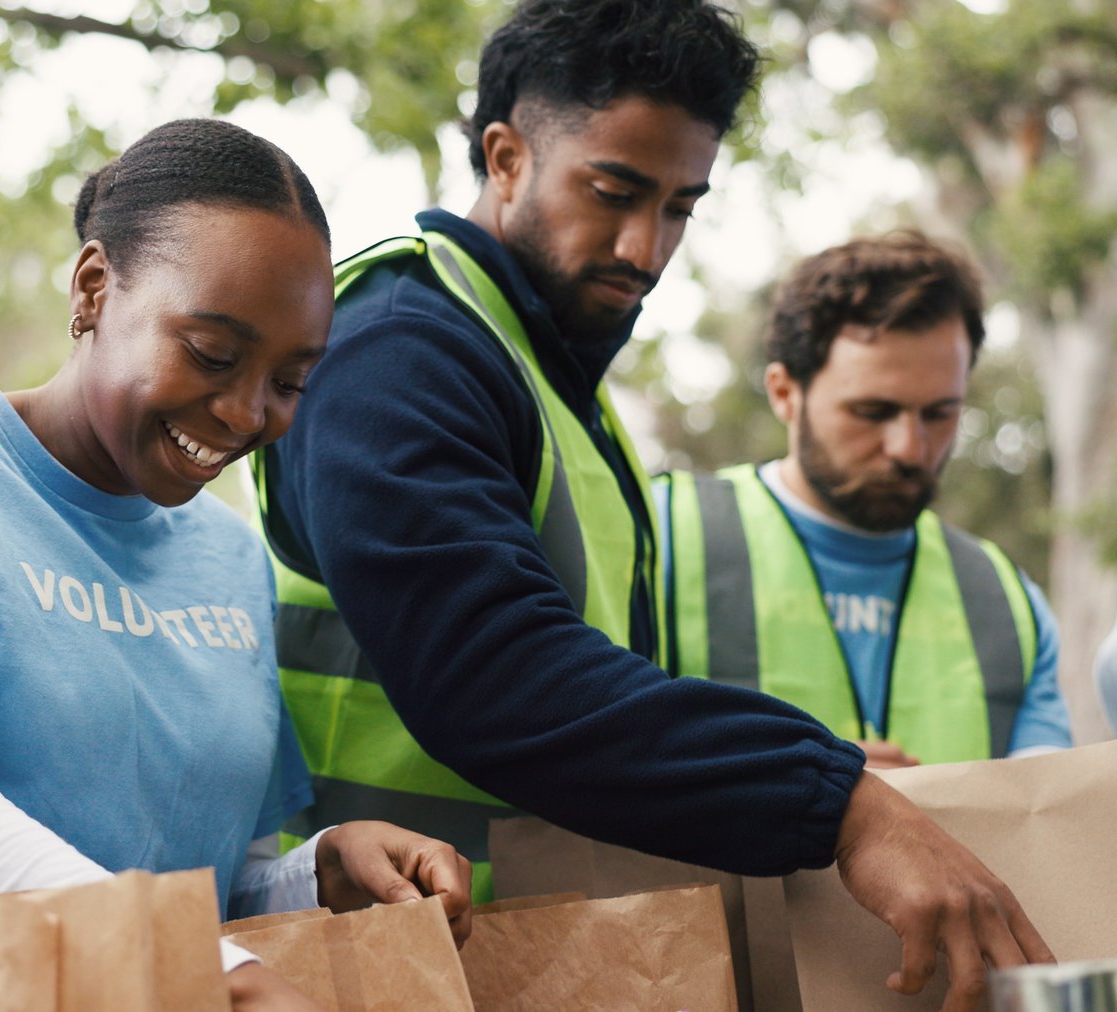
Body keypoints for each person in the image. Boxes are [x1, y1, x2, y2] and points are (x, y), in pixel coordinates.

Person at [254, 0, 1051, 1005]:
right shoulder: (401, 350)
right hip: (370, 962)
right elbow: (496, 672)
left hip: (507, 955)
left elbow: (602, 687)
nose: (645, 246)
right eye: (615, 190)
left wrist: (790, 761)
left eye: (680, 206)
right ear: (504, 157)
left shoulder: (555, 386)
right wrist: (837, 797)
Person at [0, 118, 471, 1010]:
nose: (247, 414)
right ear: (94, 286)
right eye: (212, 353)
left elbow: (210, 890)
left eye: (290, 382)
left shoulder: (229, 559)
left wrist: (319, 872)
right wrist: (224, 981)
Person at [656, 233, 1072, 767]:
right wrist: (799, 784)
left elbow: (1045, 820)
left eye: (940, 413)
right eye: (873, 412)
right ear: (785, 393)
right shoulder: (658, 533)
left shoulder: (1008, 601)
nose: (910, 448)